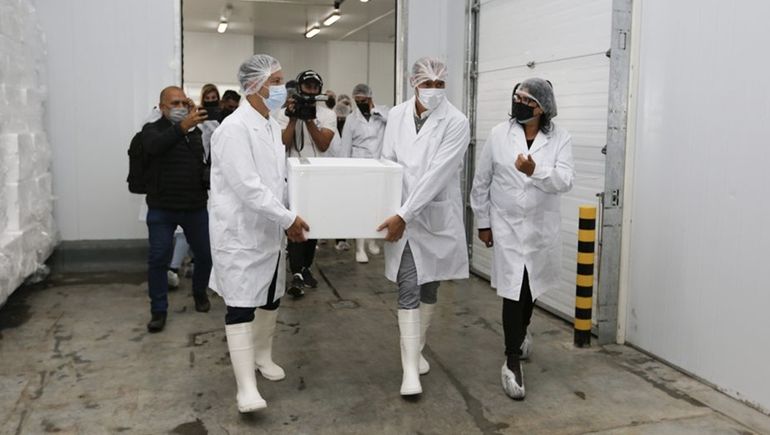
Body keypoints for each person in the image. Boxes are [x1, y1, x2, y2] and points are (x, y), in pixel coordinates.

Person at [209, 54, 309, 413]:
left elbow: (277, 180)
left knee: (270, 296)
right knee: (240, 306)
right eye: (277, 82)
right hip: (240, 235)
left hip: (269, 231)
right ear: (255, 86)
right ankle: (245, 388)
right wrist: (287, 218)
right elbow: (249, 187)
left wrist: (290, 213)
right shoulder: (233, 130)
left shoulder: (270, 124)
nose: (283, 89)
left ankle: (262, 358)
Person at [470, 78, 574, 400]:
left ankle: (521, 331)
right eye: (516, 97)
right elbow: (482, 179)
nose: (519, 104)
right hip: (506, 226)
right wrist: (483, 223)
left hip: (540, 229)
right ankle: (511, 358)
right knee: (513, 291)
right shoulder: (500, 134)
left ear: (542, 108)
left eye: (527, 100)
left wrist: (535, 171)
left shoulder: (560, 138)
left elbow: (565, 180)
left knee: (529, 290)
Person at [377, 57, 470, 396]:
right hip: (400, 217)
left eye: (439, 84)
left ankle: (416, 351)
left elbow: (437, 175)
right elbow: (387, 161)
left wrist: (405, 213)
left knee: (430, 288)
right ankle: (409, 372)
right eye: (427, 84)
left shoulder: (456, 121)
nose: (433, 91)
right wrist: (390, 210)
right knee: (409, 285)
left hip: (433, 216)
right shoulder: (398, 115)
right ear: (413, 82)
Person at [142, 86, 213, 333]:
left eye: (184, 102)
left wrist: (194, 127)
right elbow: (154, 147)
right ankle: (158, 310)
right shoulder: (151, 130)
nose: (181, 107)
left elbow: (207, 158)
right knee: (158, 259)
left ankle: (199, 292)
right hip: (162, 208)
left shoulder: (196, 132)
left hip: (194, 206)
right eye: (175, 103)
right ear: (162, 107)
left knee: (205, 255)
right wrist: (182, 128)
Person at [275, 70, 340, 298]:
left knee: (314, 224)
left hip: (318, 176)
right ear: (299, 88)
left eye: (314, 87)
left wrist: (310, 118)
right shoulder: (284, 112)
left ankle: (304, 268)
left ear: (319, 89)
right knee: (296, 222)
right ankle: (296, 272)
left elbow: (323, 144)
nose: (310, 90)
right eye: (307, 86)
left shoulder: (327, 114)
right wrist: (293, 118)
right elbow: (283, 143)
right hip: (293, 175)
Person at [340, 83, 388, 263]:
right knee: (360, 208)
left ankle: (372, 240)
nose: (360, 103)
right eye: (357, 100)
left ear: (370, 98)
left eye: (364, 100)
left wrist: (376, 112)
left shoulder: (383, 113)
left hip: (380, 166)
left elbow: (395, 123)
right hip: (358, 168)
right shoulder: (352, 120)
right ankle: (359, 248)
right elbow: (345, 148)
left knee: (377, 206)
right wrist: (345, 173)